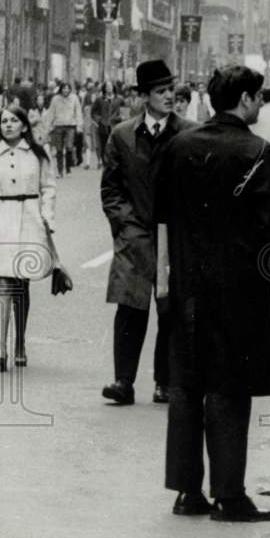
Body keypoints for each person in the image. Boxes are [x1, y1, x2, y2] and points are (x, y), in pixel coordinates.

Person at [155, 65, 270, 521]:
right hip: (238, 291)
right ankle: (229, 495)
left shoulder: (178, 146)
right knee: (230, 390)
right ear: (247, 98)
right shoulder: (258, 152)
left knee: (187, 387)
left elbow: (161, 215)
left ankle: (187, 492)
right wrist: (269, 277)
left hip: (187, 284)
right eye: (259, 98)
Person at [100, 61, 195, 406]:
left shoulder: (189, 133)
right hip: (136, 233)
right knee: (130, 306)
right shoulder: (122, 134)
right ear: (143, 97)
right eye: (160, 91)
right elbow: (111, 189)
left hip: (175, 236)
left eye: (171, 89)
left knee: (170, 309)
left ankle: (164, 382)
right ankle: (123, 381)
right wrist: (125, 225)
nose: (169, 96)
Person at [0, 104, 56, 369]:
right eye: (3, 121)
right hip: (1, 218)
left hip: (29, 217)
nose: (7, 125)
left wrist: (47, 218)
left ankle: (19, 342)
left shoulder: (38, 154)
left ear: (24, 125)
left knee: (22, 284)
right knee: (2, 285)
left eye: (13, 121)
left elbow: (49, 188)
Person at [44, 82, 82, 178]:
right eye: (64, 88)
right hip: (58, 126)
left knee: (69, 147)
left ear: (70, 89)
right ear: (61, 89)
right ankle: (60, 170)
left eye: (67, 88)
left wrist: (79, 125)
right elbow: (51, 112)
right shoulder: (55, 99)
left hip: (70, 126)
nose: (66, 90)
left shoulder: (74, 98)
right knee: (59, 149)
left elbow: (78, 112)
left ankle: (68, 169)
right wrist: (47, 127)